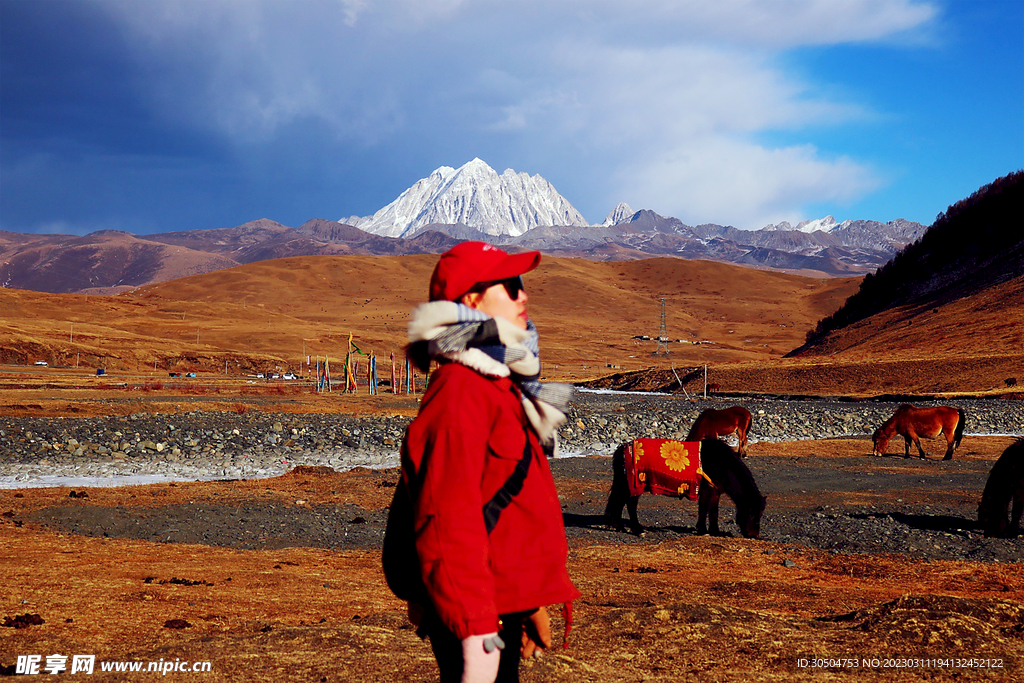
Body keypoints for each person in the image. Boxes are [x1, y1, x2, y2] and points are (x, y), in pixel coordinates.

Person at [397, 241, 580, 683]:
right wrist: (478, 634)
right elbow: (447, 522)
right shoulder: (461, 391)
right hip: (476, 617)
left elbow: (504, 509)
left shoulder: (498, 384)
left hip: (499, 604)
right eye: (511, 285)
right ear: (472, 300)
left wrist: (528, 602)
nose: (523, 295)